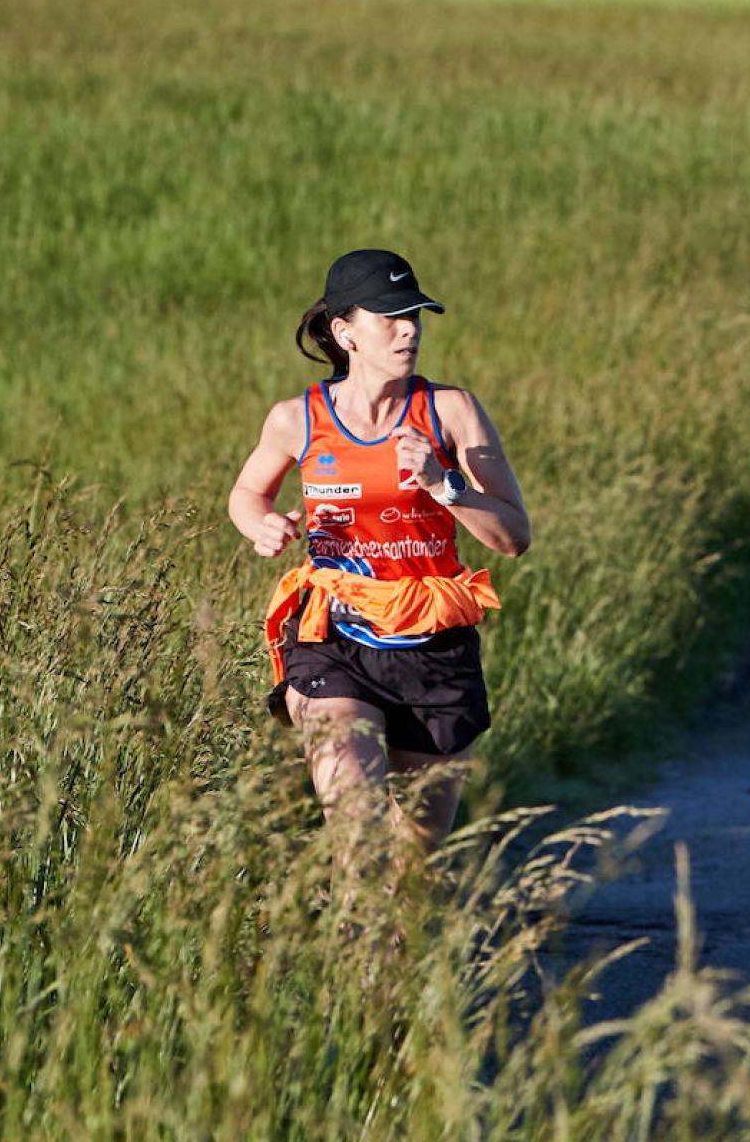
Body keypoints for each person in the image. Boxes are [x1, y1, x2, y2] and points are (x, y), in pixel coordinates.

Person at [228, 249, 532, 860]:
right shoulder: (297, 419)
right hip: (333, 638)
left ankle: (395, 953)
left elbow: (512, 535)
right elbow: (246, 493)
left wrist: (443, 482)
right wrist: (262, 526)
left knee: (413, 859)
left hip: (434, 645)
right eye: (390, 316)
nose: (410, 329)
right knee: (357, 832)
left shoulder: (451, 411)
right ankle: (349, 956)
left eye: (416, 315)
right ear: (344, 332)